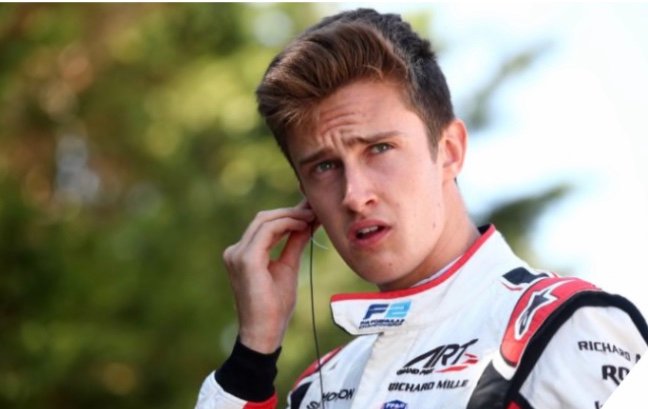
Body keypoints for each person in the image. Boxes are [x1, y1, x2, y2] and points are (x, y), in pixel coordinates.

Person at [195, 8, 648, 409]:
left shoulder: (569, 329)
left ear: (449, 151)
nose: (354, 194)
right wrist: (252, 357)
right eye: (325, 167)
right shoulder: (320, 386)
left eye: (379, 148)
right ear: (305, 196)